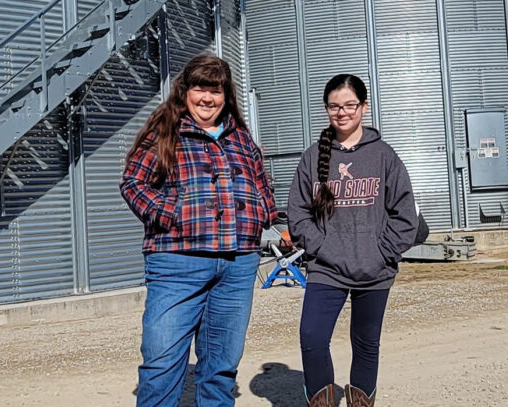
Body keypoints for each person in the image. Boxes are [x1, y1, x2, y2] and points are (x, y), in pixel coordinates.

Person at [120, 54, 277, 407]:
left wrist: (264, 212)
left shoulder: (240, 136)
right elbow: (133, 182)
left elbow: (260, 181)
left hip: (237, 263)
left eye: (215, 90)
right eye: (199, 88)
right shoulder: (164, 130)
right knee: (162, 363)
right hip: (178, 261)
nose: (207, 98)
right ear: (185, 91)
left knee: (221, 366)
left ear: (226, 95)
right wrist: (170, 214)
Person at [287, 74, 418, 407]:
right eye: (334, 106)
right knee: (312, 338)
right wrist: (323, 249)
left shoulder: (384, 156)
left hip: (374, 270)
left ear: (364, 106)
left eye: (349, 105)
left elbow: (406, 217)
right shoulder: (313, 156)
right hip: (327, 269)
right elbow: (298, 215)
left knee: (366, 343)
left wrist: (381, 253)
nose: (341, 113)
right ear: (326, 109)